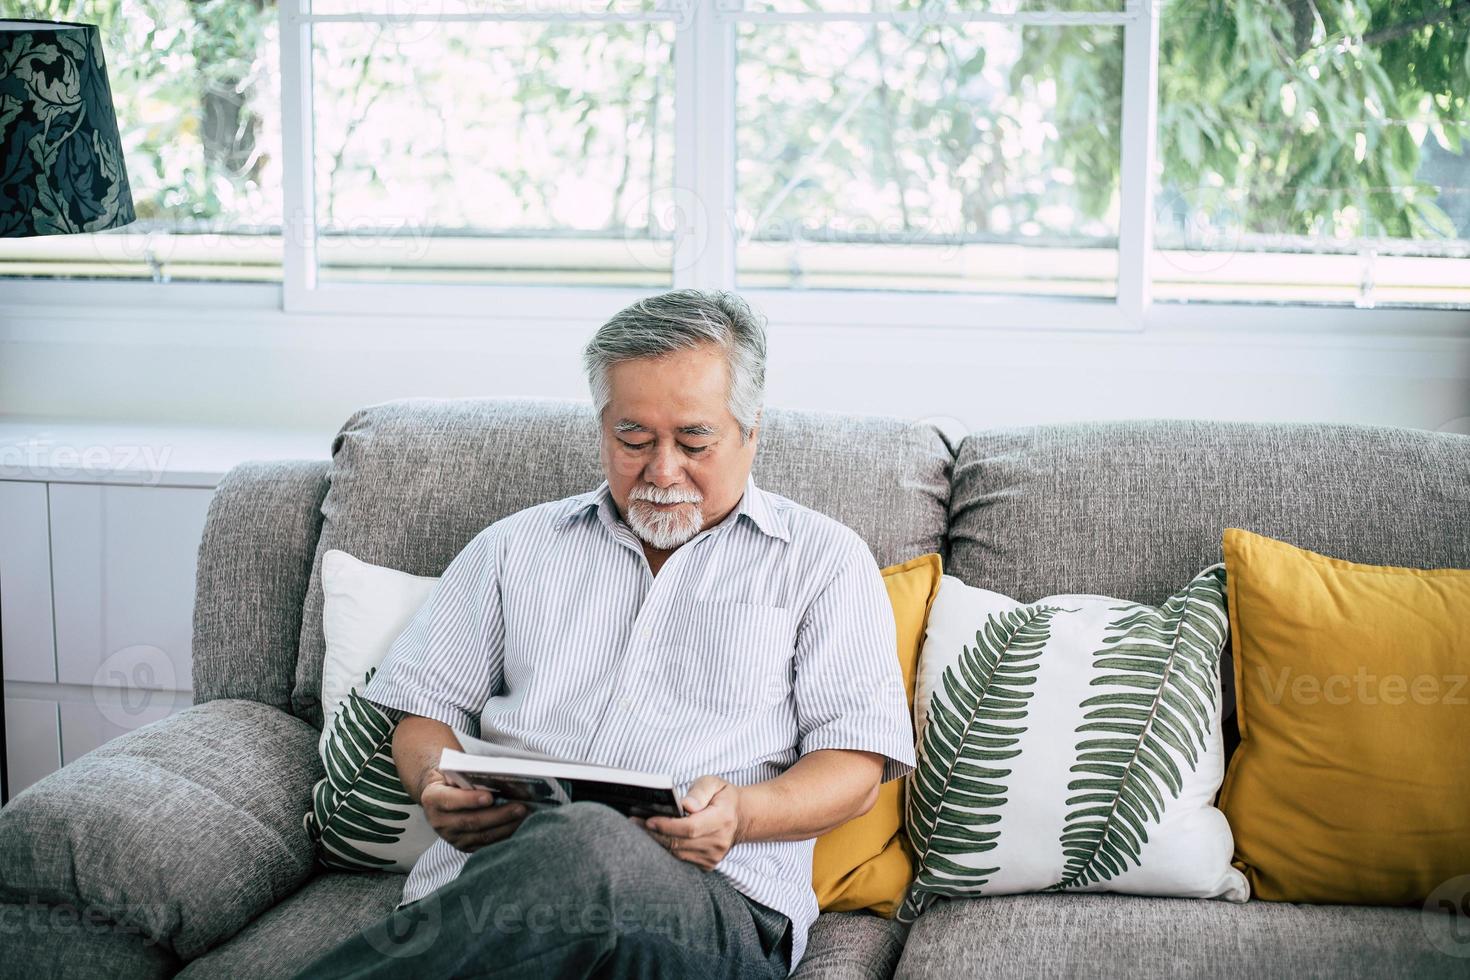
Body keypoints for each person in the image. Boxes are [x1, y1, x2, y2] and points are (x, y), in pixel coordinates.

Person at [294, 289, 915, 979]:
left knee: (592, 843)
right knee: (576, 851)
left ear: (751, 432)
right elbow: (426, 711)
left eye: (694, 441)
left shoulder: (824, 560)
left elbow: (856, 769)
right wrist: (434, 784)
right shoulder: (514, 547)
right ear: (602, 428)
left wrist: (741, 813)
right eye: (634, 440)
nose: (662, 470)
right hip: (484, 887)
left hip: (712, 907)